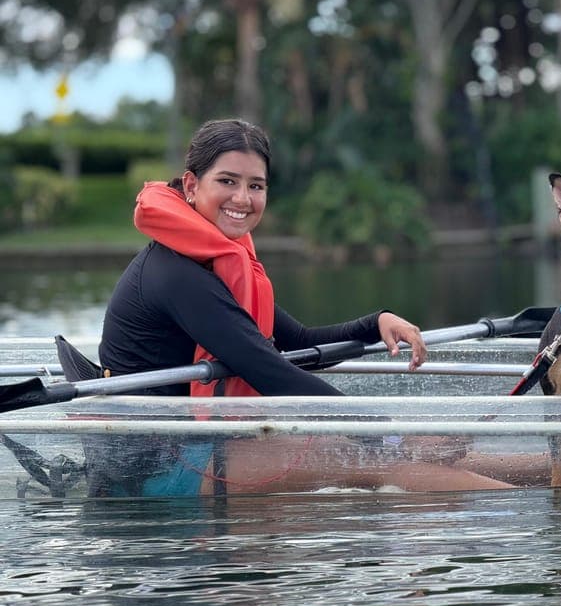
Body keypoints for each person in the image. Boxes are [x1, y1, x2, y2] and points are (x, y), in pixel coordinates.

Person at [94, 118, 512, 496]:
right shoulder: (175, 274)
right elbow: (270, 370)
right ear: (190, 186)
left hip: (197, 448)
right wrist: (394, 436)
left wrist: (376, 322)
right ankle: (522, 521)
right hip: (154, 471)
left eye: (256, 186)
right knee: (377, 460)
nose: (243, 198)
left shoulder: (218, 259)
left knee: (428, 457)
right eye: (227, 181)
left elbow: (297, 343)